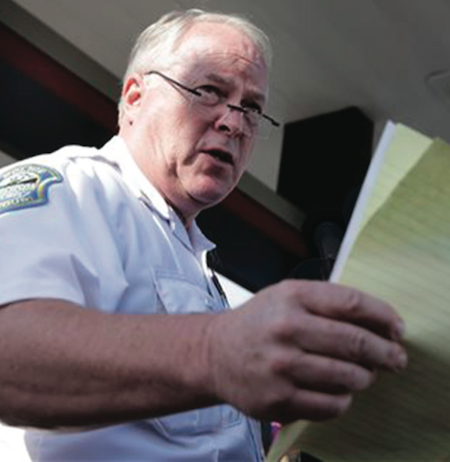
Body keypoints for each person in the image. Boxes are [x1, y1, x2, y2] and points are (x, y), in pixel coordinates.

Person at [0, 9, 407, 462]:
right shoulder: (70, 188)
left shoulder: (200, 267)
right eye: (208, 90)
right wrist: (215, 351)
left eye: (252, 108)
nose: (234, 122)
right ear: (134, 97)